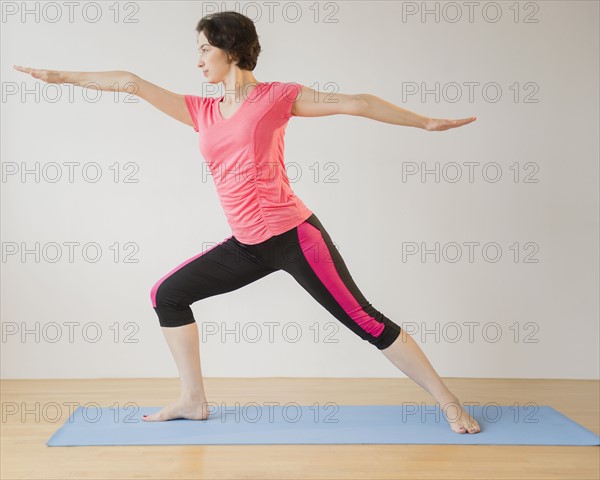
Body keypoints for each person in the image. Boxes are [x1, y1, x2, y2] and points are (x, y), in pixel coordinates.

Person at [14, 11, 480, 434]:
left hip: (297, 237)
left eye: (203, 49)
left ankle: (450, 403)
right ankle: (193, 400)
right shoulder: (202, 111)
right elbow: (131, 81)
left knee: (363, 319)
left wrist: (424, 123)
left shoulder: (276, 97)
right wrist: (61, 77)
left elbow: (355, 102)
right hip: (248, 244)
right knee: (167, 295)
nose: (197, 60)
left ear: (231, 49)